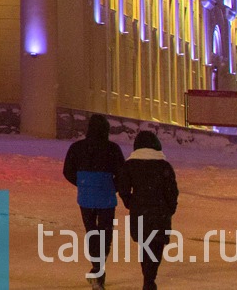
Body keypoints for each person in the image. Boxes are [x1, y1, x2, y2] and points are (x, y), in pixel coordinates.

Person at [63, 114, 125, 289]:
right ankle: (99, 268)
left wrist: (83, 184)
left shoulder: (77, 148)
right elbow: (122, 173)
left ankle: (96, 266)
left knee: (91, 231)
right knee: (105, 234)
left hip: (86, 197)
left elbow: (67, 171)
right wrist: (113, 187)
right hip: (106, 196)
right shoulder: (112, 148)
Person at [117, 131, 179, 290]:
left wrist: (131, 202)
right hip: (160, 211)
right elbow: (172, 190)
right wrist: (169, 208)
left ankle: (148, 277)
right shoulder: (163, 165)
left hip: (140, 211)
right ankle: (150, 278)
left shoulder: (129, 165)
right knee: (156, 245)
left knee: (144, 245)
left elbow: (123, 187)